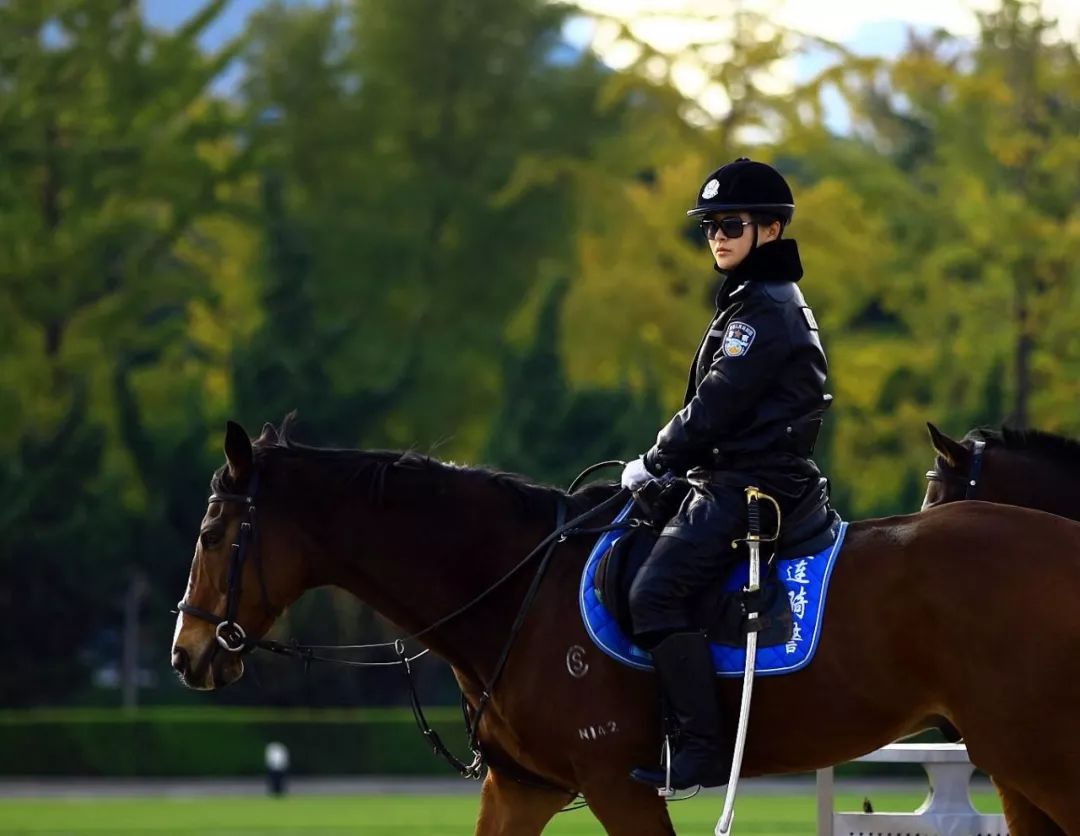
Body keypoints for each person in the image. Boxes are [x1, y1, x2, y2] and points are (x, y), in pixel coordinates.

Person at [623, 157, 832, 790]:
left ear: (771, 229)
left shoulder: (764, 309)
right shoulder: (754, 299)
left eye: (731, 224)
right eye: (710, 225)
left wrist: (655, 460)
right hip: (733, 474)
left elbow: (716, 405)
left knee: (653, 596)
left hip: (751, 483)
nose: (717, 235)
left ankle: (701, 749)